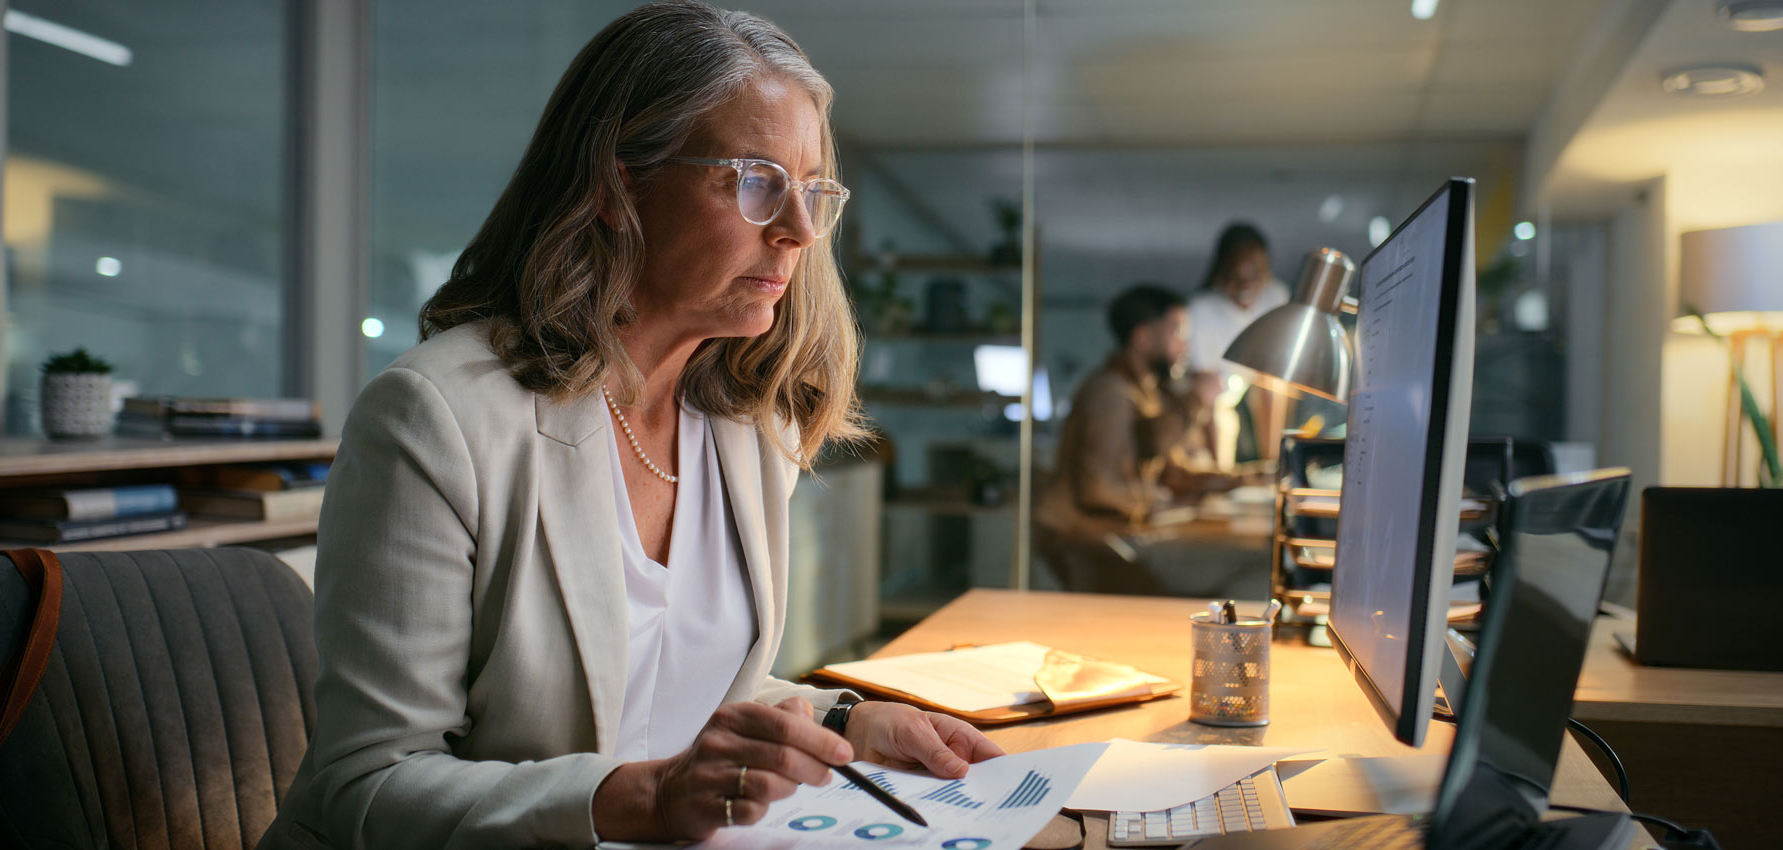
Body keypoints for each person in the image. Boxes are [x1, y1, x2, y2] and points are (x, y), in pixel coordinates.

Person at [259, 4, 1001, 848]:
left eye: (811, 193)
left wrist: (848, 727)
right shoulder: (437, 417)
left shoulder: (746, 426)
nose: (796, 231)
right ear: (616, 188)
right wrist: (637, 800)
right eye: (755, 180)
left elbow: (668, 686)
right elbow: (368, 784)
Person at [1034, 285, 1253, 597]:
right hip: (1089, 541)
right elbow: (1098, 489)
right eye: (1177, 333)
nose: (1185, 346)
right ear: (1143, 337)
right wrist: (1158, 501)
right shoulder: (1110, 391)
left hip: (1113, 536)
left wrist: (1246, 478)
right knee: (1248, 567)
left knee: (1240, 561)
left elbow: (1170, 468)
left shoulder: (1146, 392)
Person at [1187, 223, 1291, 468]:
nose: (1245, 286)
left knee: (1277, 384)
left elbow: (1272, 383)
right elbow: (1206, 392)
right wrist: (1219, 472)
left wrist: (1273, 464)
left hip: (1253, 383)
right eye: (1235, 277)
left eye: (1254, 276)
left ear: (1266, 272)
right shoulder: (1201, 309)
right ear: (1220, 273)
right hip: (1213, 399)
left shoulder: (1276, 297)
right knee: (1219, 422)